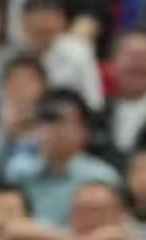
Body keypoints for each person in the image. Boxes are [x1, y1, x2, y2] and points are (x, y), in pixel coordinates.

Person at [17, 90, 123, 225]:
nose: (49, 130)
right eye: (44, 121)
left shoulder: (101, 177)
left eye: (60, 121)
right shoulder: (23, 174)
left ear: (84, 130)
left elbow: (110, 231)